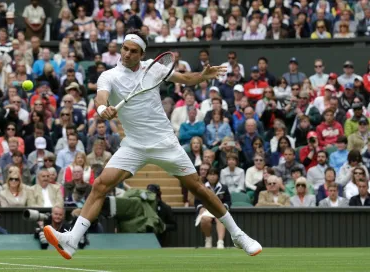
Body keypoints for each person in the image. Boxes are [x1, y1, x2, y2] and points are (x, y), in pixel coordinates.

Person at [43, 29, 262, 259]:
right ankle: (72, 240)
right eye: (125, 48)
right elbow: (101, 97)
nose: (127, 54)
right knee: (100, 185)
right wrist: (101, 109)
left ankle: (238, 235)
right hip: (133, 145)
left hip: (164, 142)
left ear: (141, 54)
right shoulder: (108, 76)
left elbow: (186, 78)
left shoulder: (153, 68)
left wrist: (202, 76)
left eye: (133, 51)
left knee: (198, 188)